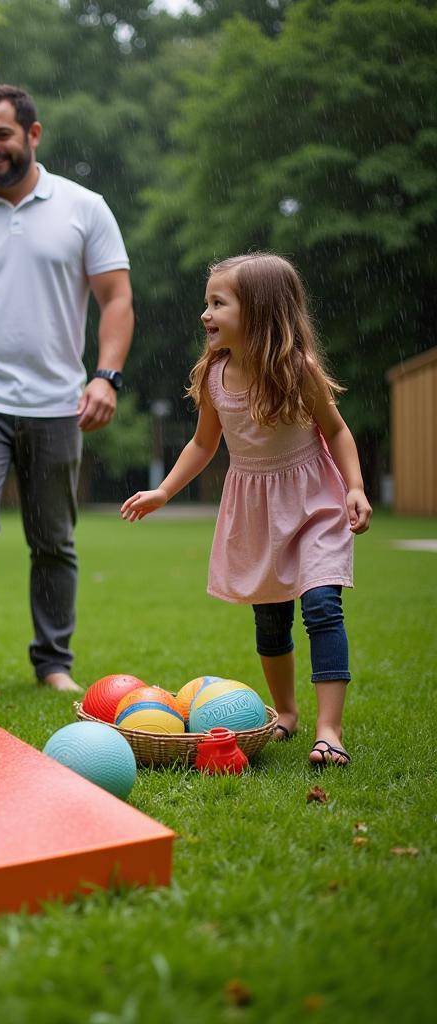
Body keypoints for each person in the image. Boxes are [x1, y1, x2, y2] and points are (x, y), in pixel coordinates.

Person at [0, 83, 134, 695]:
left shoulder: (84, 208)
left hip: (59, 400)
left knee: (53, 537)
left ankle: (53, 663)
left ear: (33, 135)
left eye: (2, 134)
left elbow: (117, 298)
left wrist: (106, 376)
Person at [121, 253, 371, 768]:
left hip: (315, 502)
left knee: (322, 607)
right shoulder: (215, 374)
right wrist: (163, 493)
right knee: (271, 619)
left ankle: (330, 730)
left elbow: (337, 430)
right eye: (206, 302)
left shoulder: (297, 370)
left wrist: (355, 488)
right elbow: (203, 444)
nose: (205, 314)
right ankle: (286, 713)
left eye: (218, 303)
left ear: (258, 311)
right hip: (256, 510)